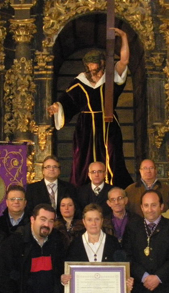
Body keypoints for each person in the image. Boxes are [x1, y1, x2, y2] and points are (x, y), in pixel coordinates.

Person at [47, 28, 133, 188]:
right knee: (83, 159)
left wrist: (124, 37)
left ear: (102, 64)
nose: (94, 72)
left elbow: (124, 61)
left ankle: (112, 187)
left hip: (108, 123)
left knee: (112, 157)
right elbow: (67, 101)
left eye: (97, 68)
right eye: (90, 68)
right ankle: (84, 190)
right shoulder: (80, 81)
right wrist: (56, 107)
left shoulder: (110, 77)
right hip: (85, 126)